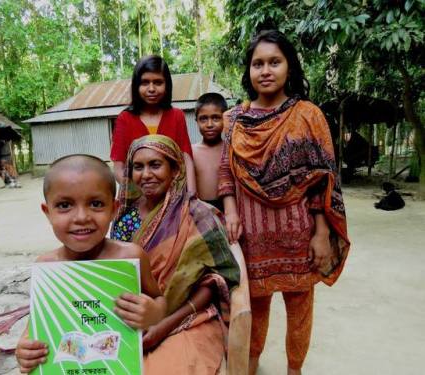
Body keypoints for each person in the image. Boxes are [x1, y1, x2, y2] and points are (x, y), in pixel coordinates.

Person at [218, 30, 350, 375]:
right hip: (252, 238)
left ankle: (295, 370)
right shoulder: (233, 121)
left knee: (300, 309)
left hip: (298, 236)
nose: (265, 70)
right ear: (248, 71)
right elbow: (225, 172)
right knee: (254, 311)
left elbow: (323, 180)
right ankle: (250, 365)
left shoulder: (308, 115)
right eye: (257, 63)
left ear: (289, 67)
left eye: (274, 62)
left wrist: (321, 233)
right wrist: (230, 210)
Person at [14, 154, 167, 373]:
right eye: (65, 205)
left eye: (96, 204)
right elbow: (37, 323)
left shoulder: (130, 257)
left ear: (114, 210)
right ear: (48, 212)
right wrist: (25, 348)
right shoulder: (47, 268)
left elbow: (159, 300)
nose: (81, 217)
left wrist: (153, 314)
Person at [111, 135, 241, 374]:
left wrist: (163, 326)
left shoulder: (199, 216)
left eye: (155, 165)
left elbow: (215, 281)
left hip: (188, 316)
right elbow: (116, 276)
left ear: (175, 169)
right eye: (138, 167)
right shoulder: (123, 219)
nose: (146, 174)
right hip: (132, 317)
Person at [110, 55, 196, 193]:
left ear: (167, 85)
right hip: (137, 199)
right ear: (136, 86)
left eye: (158, 82)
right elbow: (118, 168)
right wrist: (142, 195)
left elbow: (186, 160)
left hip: (173, 196)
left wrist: (191, 196)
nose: (151, 89)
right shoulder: (124, 119)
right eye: (144, 83)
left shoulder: (177, 116)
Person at [192, 93, 228, 212]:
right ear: (196, 120)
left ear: (225, 119)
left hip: (229, 208)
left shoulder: (231, 150)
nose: (209, 124)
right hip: (200, 211)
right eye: (203, 119)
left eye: (216, 118)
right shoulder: (191, 152)